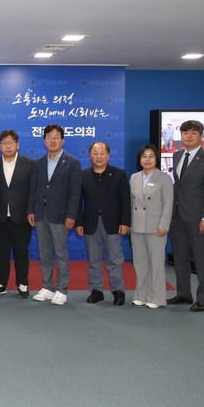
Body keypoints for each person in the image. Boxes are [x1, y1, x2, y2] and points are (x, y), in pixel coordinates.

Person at [27, 124, 82, 306]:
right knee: (44, 253)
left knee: (61, 254)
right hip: (40, 214)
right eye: (49, 137)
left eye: (56, 137)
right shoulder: (39, 163)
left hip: (60, 215)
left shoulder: (72, 162)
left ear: (62, 140)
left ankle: (62, 289)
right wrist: (31, 210)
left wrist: (71, 215)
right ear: (44, 141)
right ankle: (47, 287)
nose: (52, 140)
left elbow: (75, 192)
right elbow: (33, 189)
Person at [169, 119, 204, 312]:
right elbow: (178, 185)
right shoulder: (177, 155)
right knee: (180, 257)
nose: (188, 136)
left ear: (200, 136)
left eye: (193, 133)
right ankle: (183, 294)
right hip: (177, 215)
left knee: (200, 259)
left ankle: (202, 299)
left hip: (198, 218)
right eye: (185, 133)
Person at [75, 141, 131, 306]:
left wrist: (125, 222)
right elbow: (78, 201)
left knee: (115, 259)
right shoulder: (83, 175)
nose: (98, 157)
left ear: (108, 155)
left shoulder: (119, 174)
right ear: (90, 155)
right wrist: (79, 222)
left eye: (102, 153)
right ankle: (96, 290)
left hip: (113, 224)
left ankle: (118, 291)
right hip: (90, 223)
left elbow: (126, 200)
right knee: (94, 260)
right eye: (95, 153)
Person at [0, 130, 35, 298]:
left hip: (21, 216)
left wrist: (31, 211)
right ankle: (1, 283)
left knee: (21, 251)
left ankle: (23, 284)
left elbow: (33, 191)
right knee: (1, 252)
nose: (8, 146)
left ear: (18, 145)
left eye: (11, 142)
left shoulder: (29, 164)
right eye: (4, 143)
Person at [130, 144, 173, 309]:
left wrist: (164, 225)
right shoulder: (134, 177)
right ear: (139, 159)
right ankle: (141, 295)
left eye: (151, 156)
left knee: (156, 263)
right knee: (140, 263)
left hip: (156, 227)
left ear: (156, 159)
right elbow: (130, 203)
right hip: (137, 226)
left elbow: (168, 204)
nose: (147, 160)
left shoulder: (164, 178)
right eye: (144, 156)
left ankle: (157, 297)